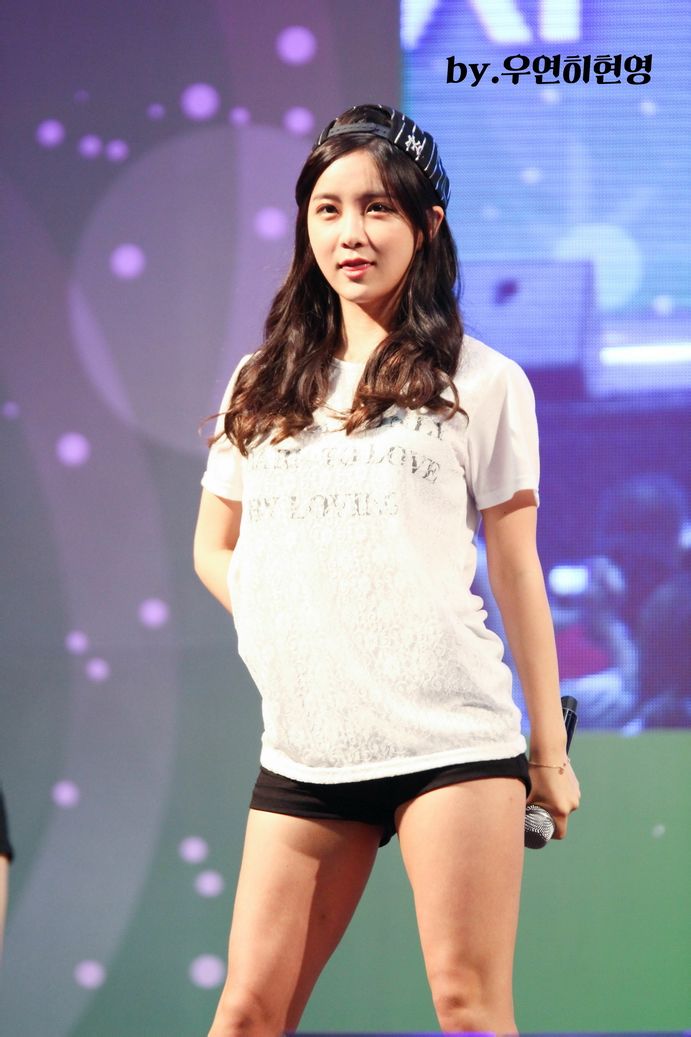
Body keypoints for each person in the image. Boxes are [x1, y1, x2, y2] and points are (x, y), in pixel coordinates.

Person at [193, 103, 580, 1037]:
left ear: (426, 224)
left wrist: (547, 751)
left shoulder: (482, 380)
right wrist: (285, 608)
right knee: (246, 1013)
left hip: (450, 737)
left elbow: (515, 570)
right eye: (327, 209)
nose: (350, 234)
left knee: (467, 1008)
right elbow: (214, 546)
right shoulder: (259, 382)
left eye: (377, 208)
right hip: (308, 745)